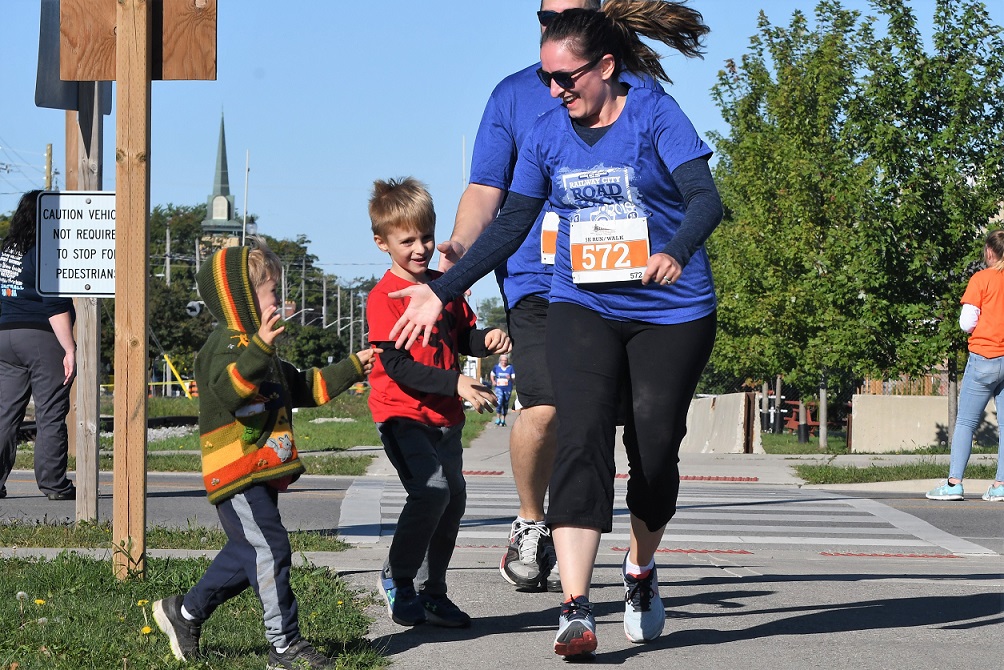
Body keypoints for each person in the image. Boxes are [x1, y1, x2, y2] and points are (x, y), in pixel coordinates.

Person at [387, 1, 719, 658]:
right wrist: (442, 290)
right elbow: (509, 226)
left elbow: (706, 198)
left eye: (567, 79)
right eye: (547, 78)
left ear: (604, 67)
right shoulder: (545, 133)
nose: (554, 90)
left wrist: (675, 249)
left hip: (668, 305)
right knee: (580, 432)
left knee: (654, 449)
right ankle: (574, 607)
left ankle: (641, 572)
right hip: (582, 301)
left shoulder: (653, 110)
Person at [439, 0, 663, 594]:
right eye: (542, 15)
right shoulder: (513, 95)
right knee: (546, 405)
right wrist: (462, 244)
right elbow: (487, 186)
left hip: (619, 280)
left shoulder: (630, 87)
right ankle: (531, 521)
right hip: (538, 282)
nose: (549, 23)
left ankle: (635, 558)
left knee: (626, 428)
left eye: (564, 13)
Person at [153, 237, 375, 670]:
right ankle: (284, 645)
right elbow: (230, 389)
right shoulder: (224, 348)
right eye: (273, 291)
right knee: (271, 548)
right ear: (242, 298)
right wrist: (259, 348)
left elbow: (304, 387)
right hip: (236, 469)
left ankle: (183, 613)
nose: (281, 300)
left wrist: (353, 366)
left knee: (248, 552)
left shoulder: (263, 352)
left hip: (258, 468)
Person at [366, 177, 511, 628]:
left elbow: (462, 336)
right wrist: (457, 384)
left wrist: (484, 340)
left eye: (426, 236)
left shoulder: (445, 286)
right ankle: (399, 579)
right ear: (382, 243)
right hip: (401, 415)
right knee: (430, 492)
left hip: (443, 420)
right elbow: (399, 367)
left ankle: (434, 592)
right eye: (406, 240)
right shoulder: (382, 297)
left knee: (453, 500)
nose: (420, 247)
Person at [0, 189, 77, 501]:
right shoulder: (47, 250)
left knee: (5, 413)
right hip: (41, 336)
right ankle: (54, 484)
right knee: (50, 412)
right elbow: (54, 304)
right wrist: (69, 348)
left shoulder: (8, 251)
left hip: (5, 335)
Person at [927, 231, 1004, 503]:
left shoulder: (980, 279)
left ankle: (954, 483)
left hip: (984, 356)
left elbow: (966, 322)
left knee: (966, 423)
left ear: (989, 252)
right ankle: (1000, 484)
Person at [490, 354, 515, 426]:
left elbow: (513, 380)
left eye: (505, 360)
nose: (504, 362)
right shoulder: (496, 367)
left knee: (505, 403)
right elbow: (492, 374)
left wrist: (509, 378)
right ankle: (498, 418)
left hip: (507, 388)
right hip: (499, 387)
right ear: (500, 361)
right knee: (499, 401)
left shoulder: (510, 368)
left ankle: (503, 419)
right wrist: (493, 381)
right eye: (502, 360)